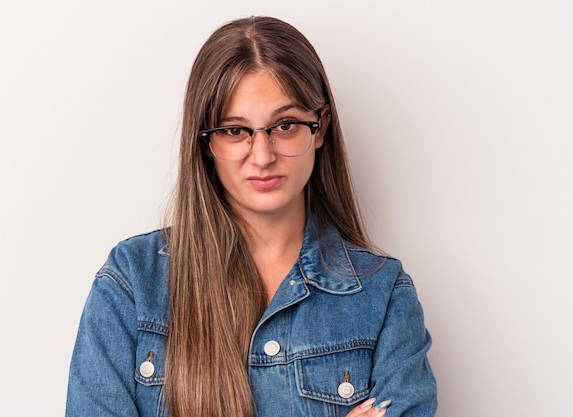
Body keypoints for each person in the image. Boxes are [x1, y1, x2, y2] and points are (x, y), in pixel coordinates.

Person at [66, 16, 437, 417]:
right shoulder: (132, 283)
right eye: (234, 130)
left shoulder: (383, 295)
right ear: (205, 141)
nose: (262, 156)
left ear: (320, 128)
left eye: (285, 125)